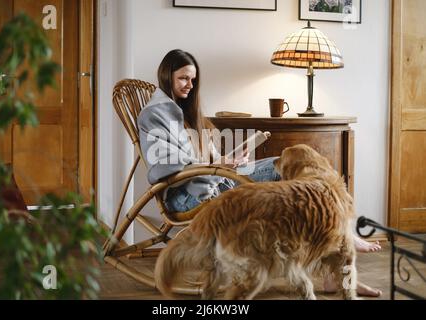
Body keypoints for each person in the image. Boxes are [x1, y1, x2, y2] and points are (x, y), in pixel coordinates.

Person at [137, 49, 381, 297]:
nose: (190, 85)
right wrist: (219, 167)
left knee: (282, 163)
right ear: (167, 76)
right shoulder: (153, 114)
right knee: (284, 184)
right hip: (187, 192)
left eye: (193, 79)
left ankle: (336, 250)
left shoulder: (186, 110)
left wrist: (227, 160)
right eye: (183, 78)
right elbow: (163, 164)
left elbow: (207, 156)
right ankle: (342, 241)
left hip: (215, 176)